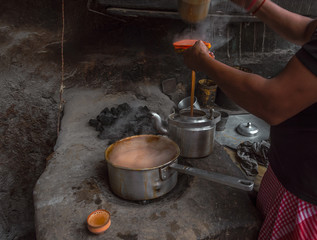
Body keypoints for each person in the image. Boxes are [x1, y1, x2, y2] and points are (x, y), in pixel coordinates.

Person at [183, 0, 317, 239]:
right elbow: (309, 31)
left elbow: (272, 103)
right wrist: (255, 3)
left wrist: (204, 63)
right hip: (287, 172)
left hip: (306, 196)